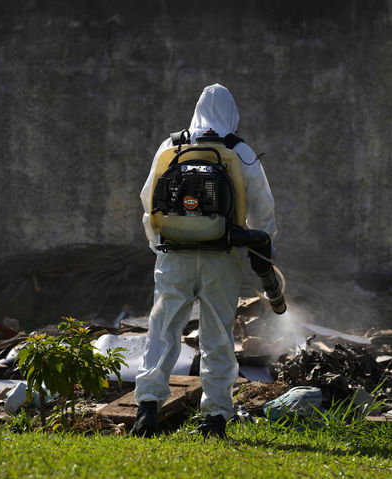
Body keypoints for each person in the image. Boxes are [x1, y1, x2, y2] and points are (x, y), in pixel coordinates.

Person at [132, 83, 278, 438]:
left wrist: (160, 245)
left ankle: (147, 409)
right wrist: (258, 247)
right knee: (217, 337)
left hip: (174, 254)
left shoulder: (171, 146)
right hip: (222, 257)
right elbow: (264, 209)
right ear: (232, 114)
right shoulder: (238, 151)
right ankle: (215, 417)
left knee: (163, 331)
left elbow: (147, 198)